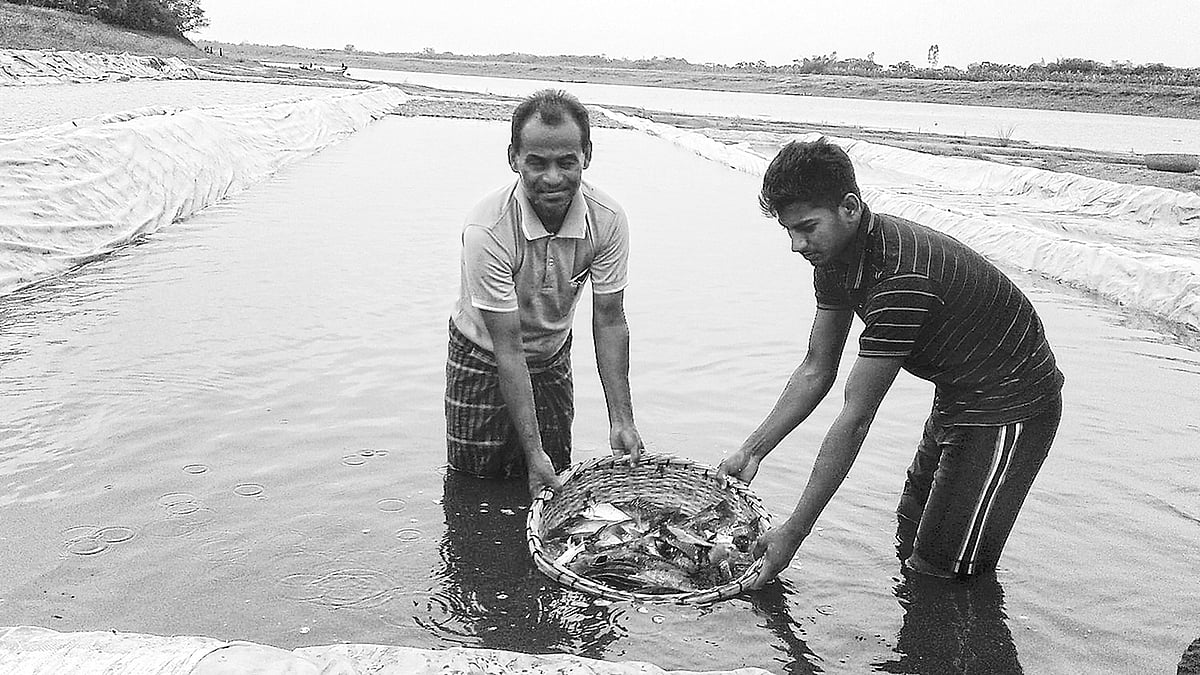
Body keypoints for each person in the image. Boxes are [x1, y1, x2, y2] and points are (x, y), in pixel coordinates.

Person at [719, 138, 1064, 586]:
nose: (796, 245)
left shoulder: (900, 277)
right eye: (789, 231)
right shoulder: (834, 258)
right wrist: (752, 451)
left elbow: (856, 418)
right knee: (912, 522)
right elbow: (816, 369)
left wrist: (794, 532)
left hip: (1011, 405)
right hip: (958, 394)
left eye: (806, 227)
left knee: (942, 569)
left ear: (849, 207)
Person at [445, 89, 644, 497]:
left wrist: (621, 419)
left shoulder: (607, 220)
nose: (552, 178)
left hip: (552, 354)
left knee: (554, 479)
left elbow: (609, 320)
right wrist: (533, 451)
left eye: (566, 162)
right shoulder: (488, 229)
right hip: (483, 352)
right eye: (536, 162)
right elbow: (508, 347)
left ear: (586, 156)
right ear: (514, 158)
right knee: (474, 483)